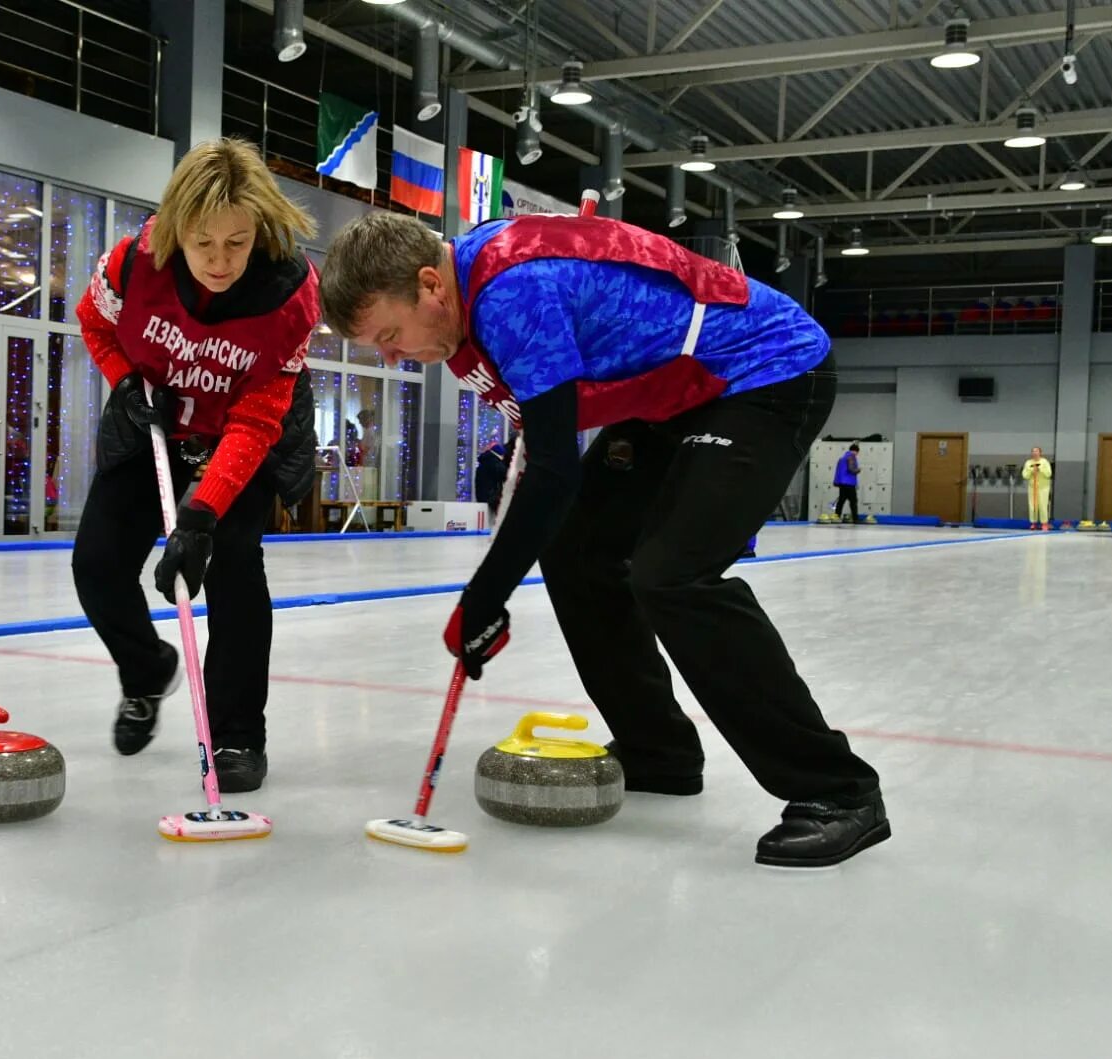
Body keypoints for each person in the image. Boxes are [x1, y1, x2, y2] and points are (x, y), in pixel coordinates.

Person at [320, 210, 887, 867]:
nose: (392, 356)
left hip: (763, 373)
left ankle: (838, 793)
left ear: (430, 285)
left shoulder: (509, 293)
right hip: (670, 395)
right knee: (579, 550)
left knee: (671, 575)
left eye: (390, 336)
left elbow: (555, 471)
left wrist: (483, 597)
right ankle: (658, 751)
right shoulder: (467, 293)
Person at [71, 139, 320, 793]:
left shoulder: (288, 296)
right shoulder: (132, 263)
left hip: (236, 440)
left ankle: (238, 735)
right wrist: (125, 381)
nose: (218, 262)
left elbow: (260, 416)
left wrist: (202, 514)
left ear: (259, 230)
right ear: (177, 228)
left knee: (235, 566)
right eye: (202, 243)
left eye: (236, 243)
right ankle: (146, 669)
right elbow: (93, 321)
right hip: (151, 426)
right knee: (96, 564)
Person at [1021, 446, 1052, 531]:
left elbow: (1049, 474)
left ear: (1040, 453)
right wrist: (1031, 471)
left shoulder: (1044, 462)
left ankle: (1044, 523)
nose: (1035, 453)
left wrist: (1040, 469)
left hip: (1043, 488)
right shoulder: (1028, 463)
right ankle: (1033, 523)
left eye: (1036, 451)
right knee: (1033, 505)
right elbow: (1024, 475)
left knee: (1043, 505)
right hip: (1032, 487)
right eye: (1033, 451)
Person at [833, 442, 861, 522]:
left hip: (842, 484)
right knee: (853, 502)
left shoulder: (842, 458)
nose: (857, 455)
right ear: (855, 451)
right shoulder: (851, 457)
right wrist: (858, 470)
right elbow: (851, 469)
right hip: (849, 484)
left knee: (841, 501)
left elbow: (838, 471)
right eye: (857, 453)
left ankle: (837, 517)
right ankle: (856, 519)